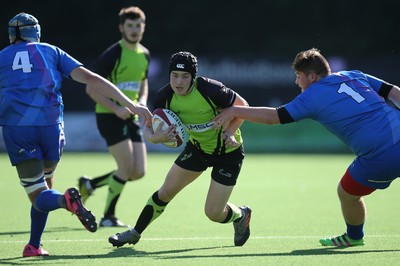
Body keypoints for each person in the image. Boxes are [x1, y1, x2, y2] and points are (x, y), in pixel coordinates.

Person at [212, 48, 400, 248]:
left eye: (298, 76)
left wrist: (235, 110)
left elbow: (273, 117)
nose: (296, 82)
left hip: (380, 157)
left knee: (347, 193)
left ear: (312, 76)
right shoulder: (352, 75)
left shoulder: (312, 95)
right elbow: (394, 92)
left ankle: (354, 236)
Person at [0, 12, 152, 257]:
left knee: (39, 194)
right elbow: (91, 79)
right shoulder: (51, 51)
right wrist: (131, 104)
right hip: (52, 128)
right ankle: (34, 245)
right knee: (45, 186)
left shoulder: (2, 57)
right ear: (36, 32)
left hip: (19, 129)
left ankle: (65, 201)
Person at [108, 51, 252, 248]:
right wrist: (154, 138)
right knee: (165, 192)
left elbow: (243, 106)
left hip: (228, 154)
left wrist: (230, 131)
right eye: (174, 75)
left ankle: (241, 215)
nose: (179, 81)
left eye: (185, 76)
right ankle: (134, 233)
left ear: (193, 77)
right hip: (198, 150)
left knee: (213, 213)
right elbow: (150, 127)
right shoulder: (164, 97)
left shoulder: (211, 89)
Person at [78, 6, 150, 228]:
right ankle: (108, 216)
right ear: (121, 28)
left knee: (138, 172)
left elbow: (143, 83)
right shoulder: (113, 54)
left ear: (143, 27)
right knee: (126, 168)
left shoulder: (145, 54)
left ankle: (90, 185)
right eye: (130, 25)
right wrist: (116, 108)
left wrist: (143, 102)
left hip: (131, 116)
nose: (135, 29)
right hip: (109, 116)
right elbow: (91, 89)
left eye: (138, 25)